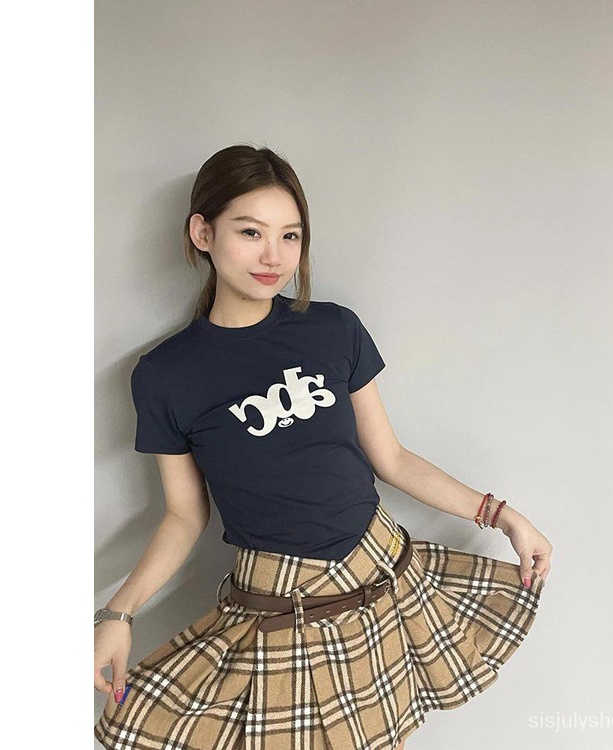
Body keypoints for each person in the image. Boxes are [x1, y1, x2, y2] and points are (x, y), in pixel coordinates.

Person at [94, 143, 553, 750]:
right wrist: (118, 613)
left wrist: (501, 515)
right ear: (202, 233)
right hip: (284, 605)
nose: (274, 256)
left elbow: (391, 458)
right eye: (251, 232)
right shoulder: (165, 375)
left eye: (290, 236)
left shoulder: (334, 328)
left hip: (384, 576)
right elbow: (185, 515)